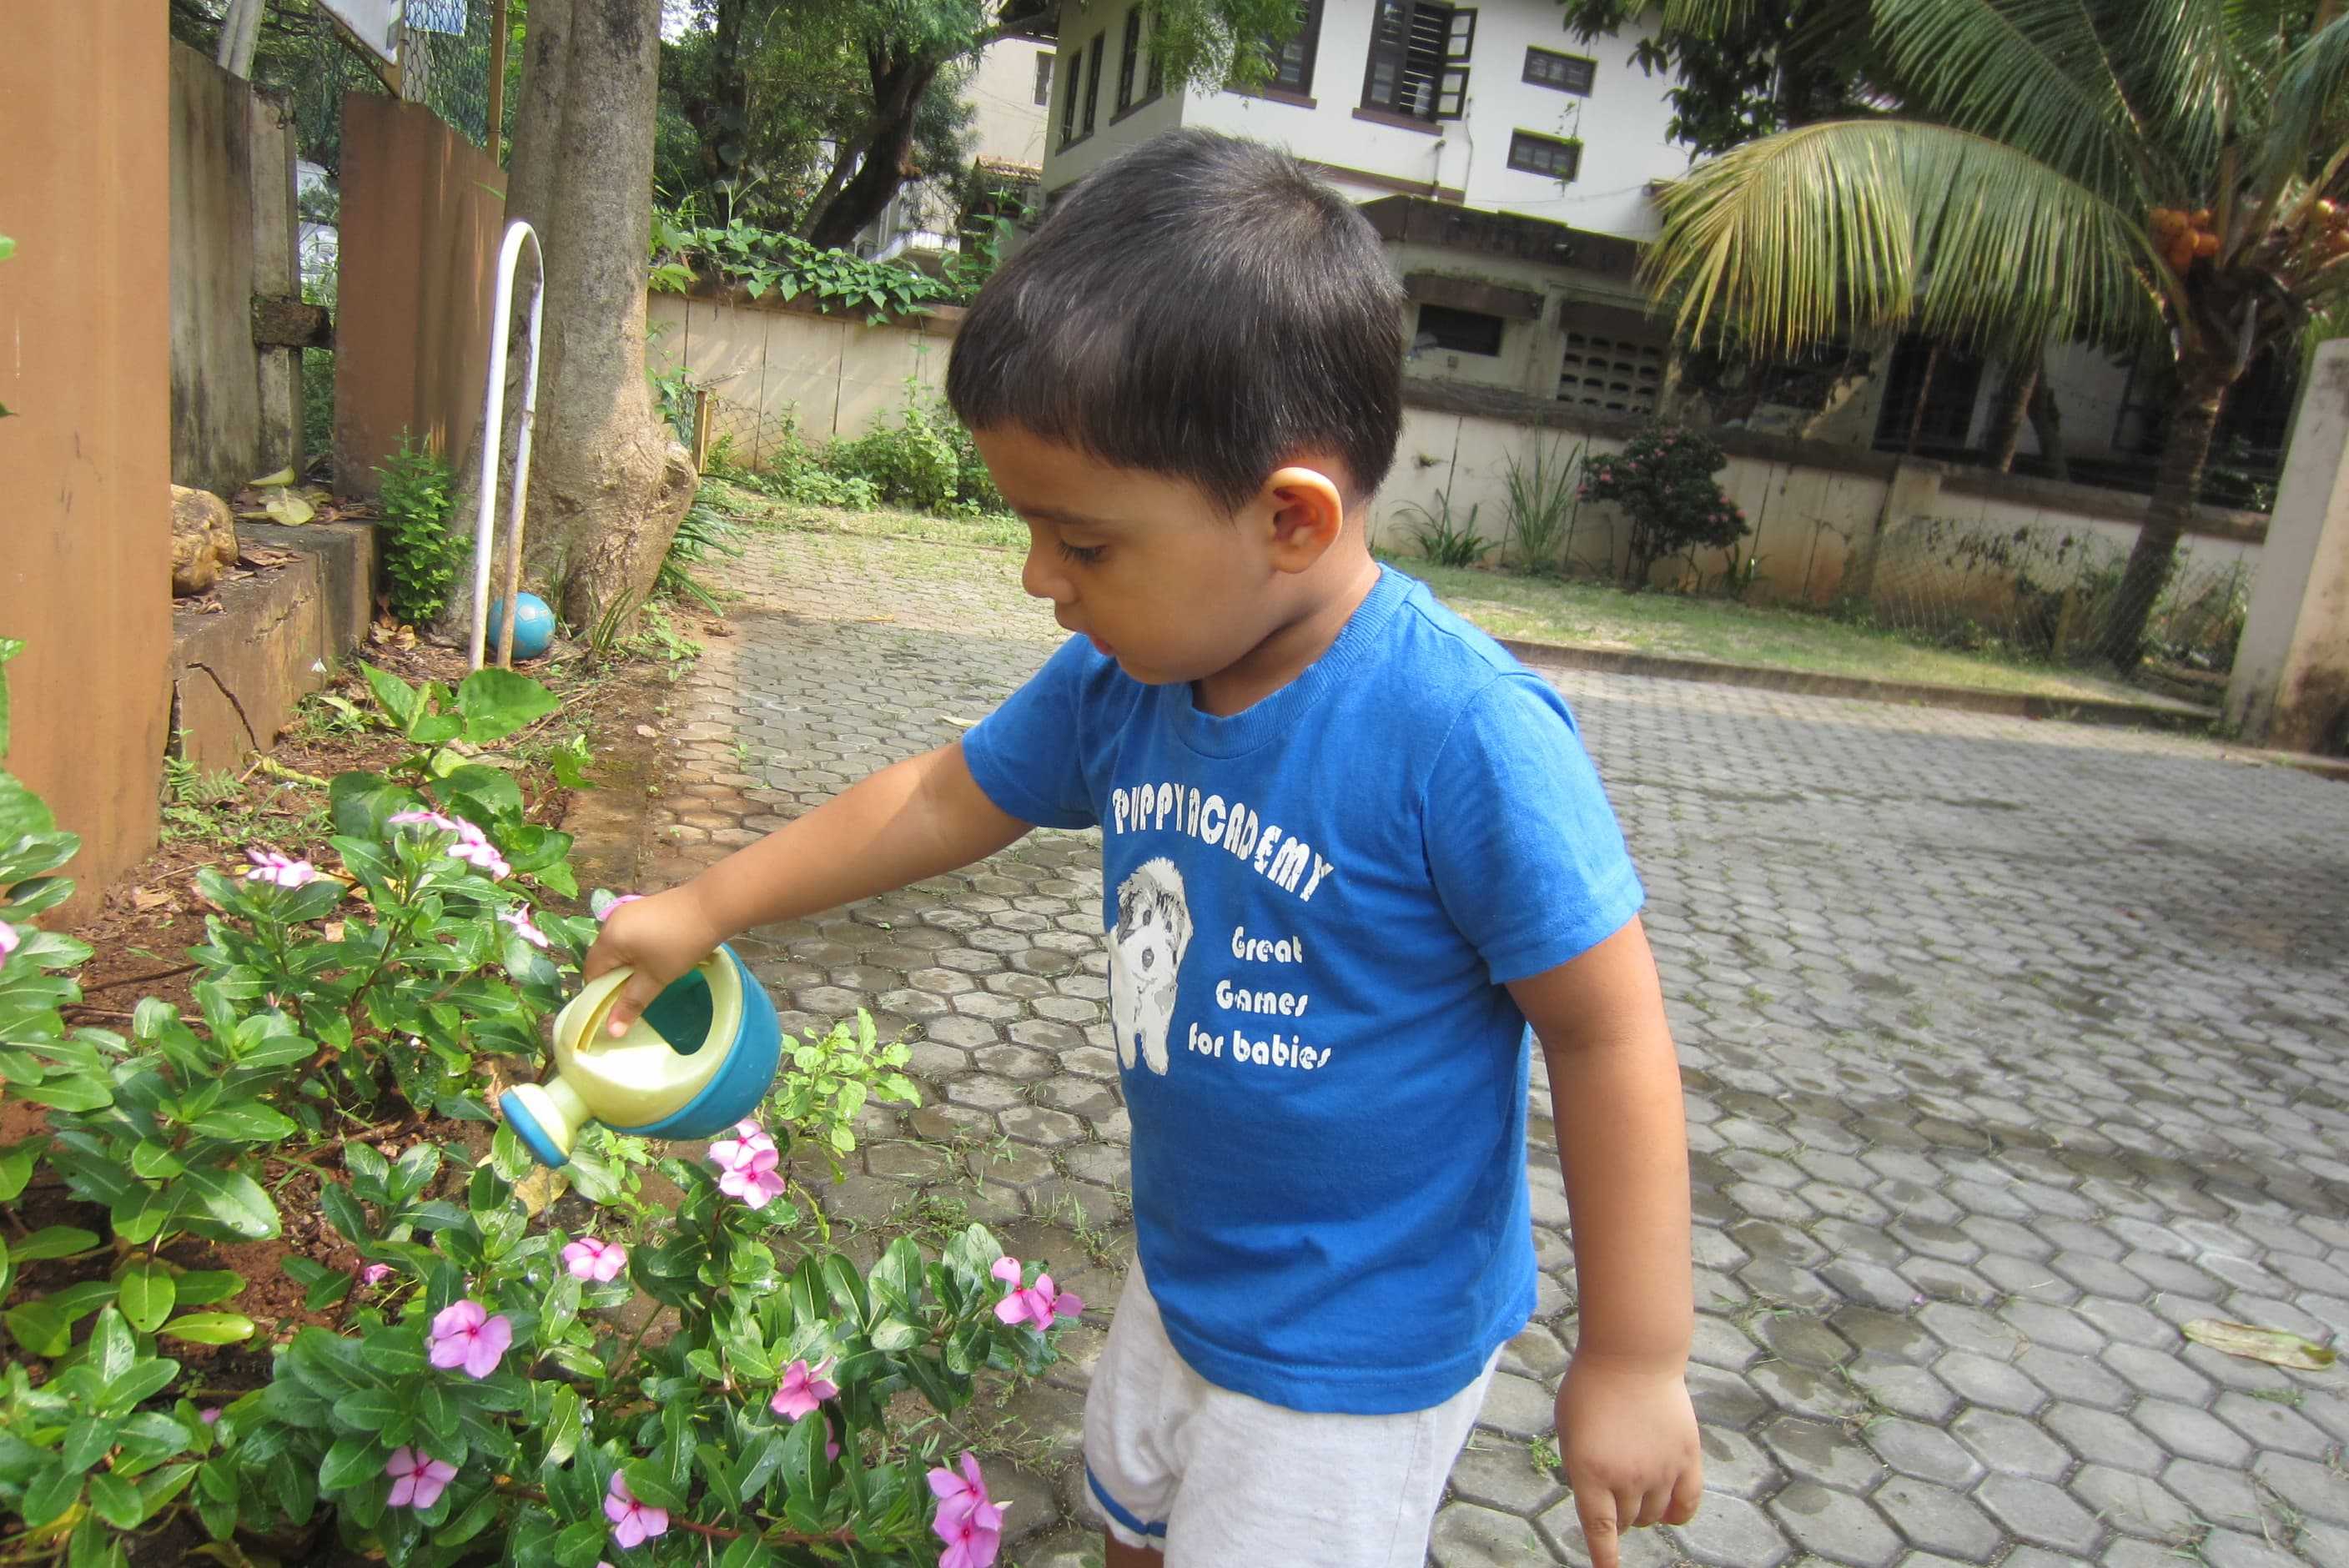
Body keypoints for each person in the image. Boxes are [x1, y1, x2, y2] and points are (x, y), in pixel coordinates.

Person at [586, 128, 1701, 1568]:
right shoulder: (1134, 679)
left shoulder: (1462, 732)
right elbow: (943, 797)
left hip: (1356, 1358)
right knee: (1136, 1529)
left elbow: (1611, 1038)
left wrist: (1632, 1358)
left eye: (1084, 543)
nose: (1042, 581)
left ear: (1289, 518)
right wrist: (707, 902)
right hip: (1187, 1281)